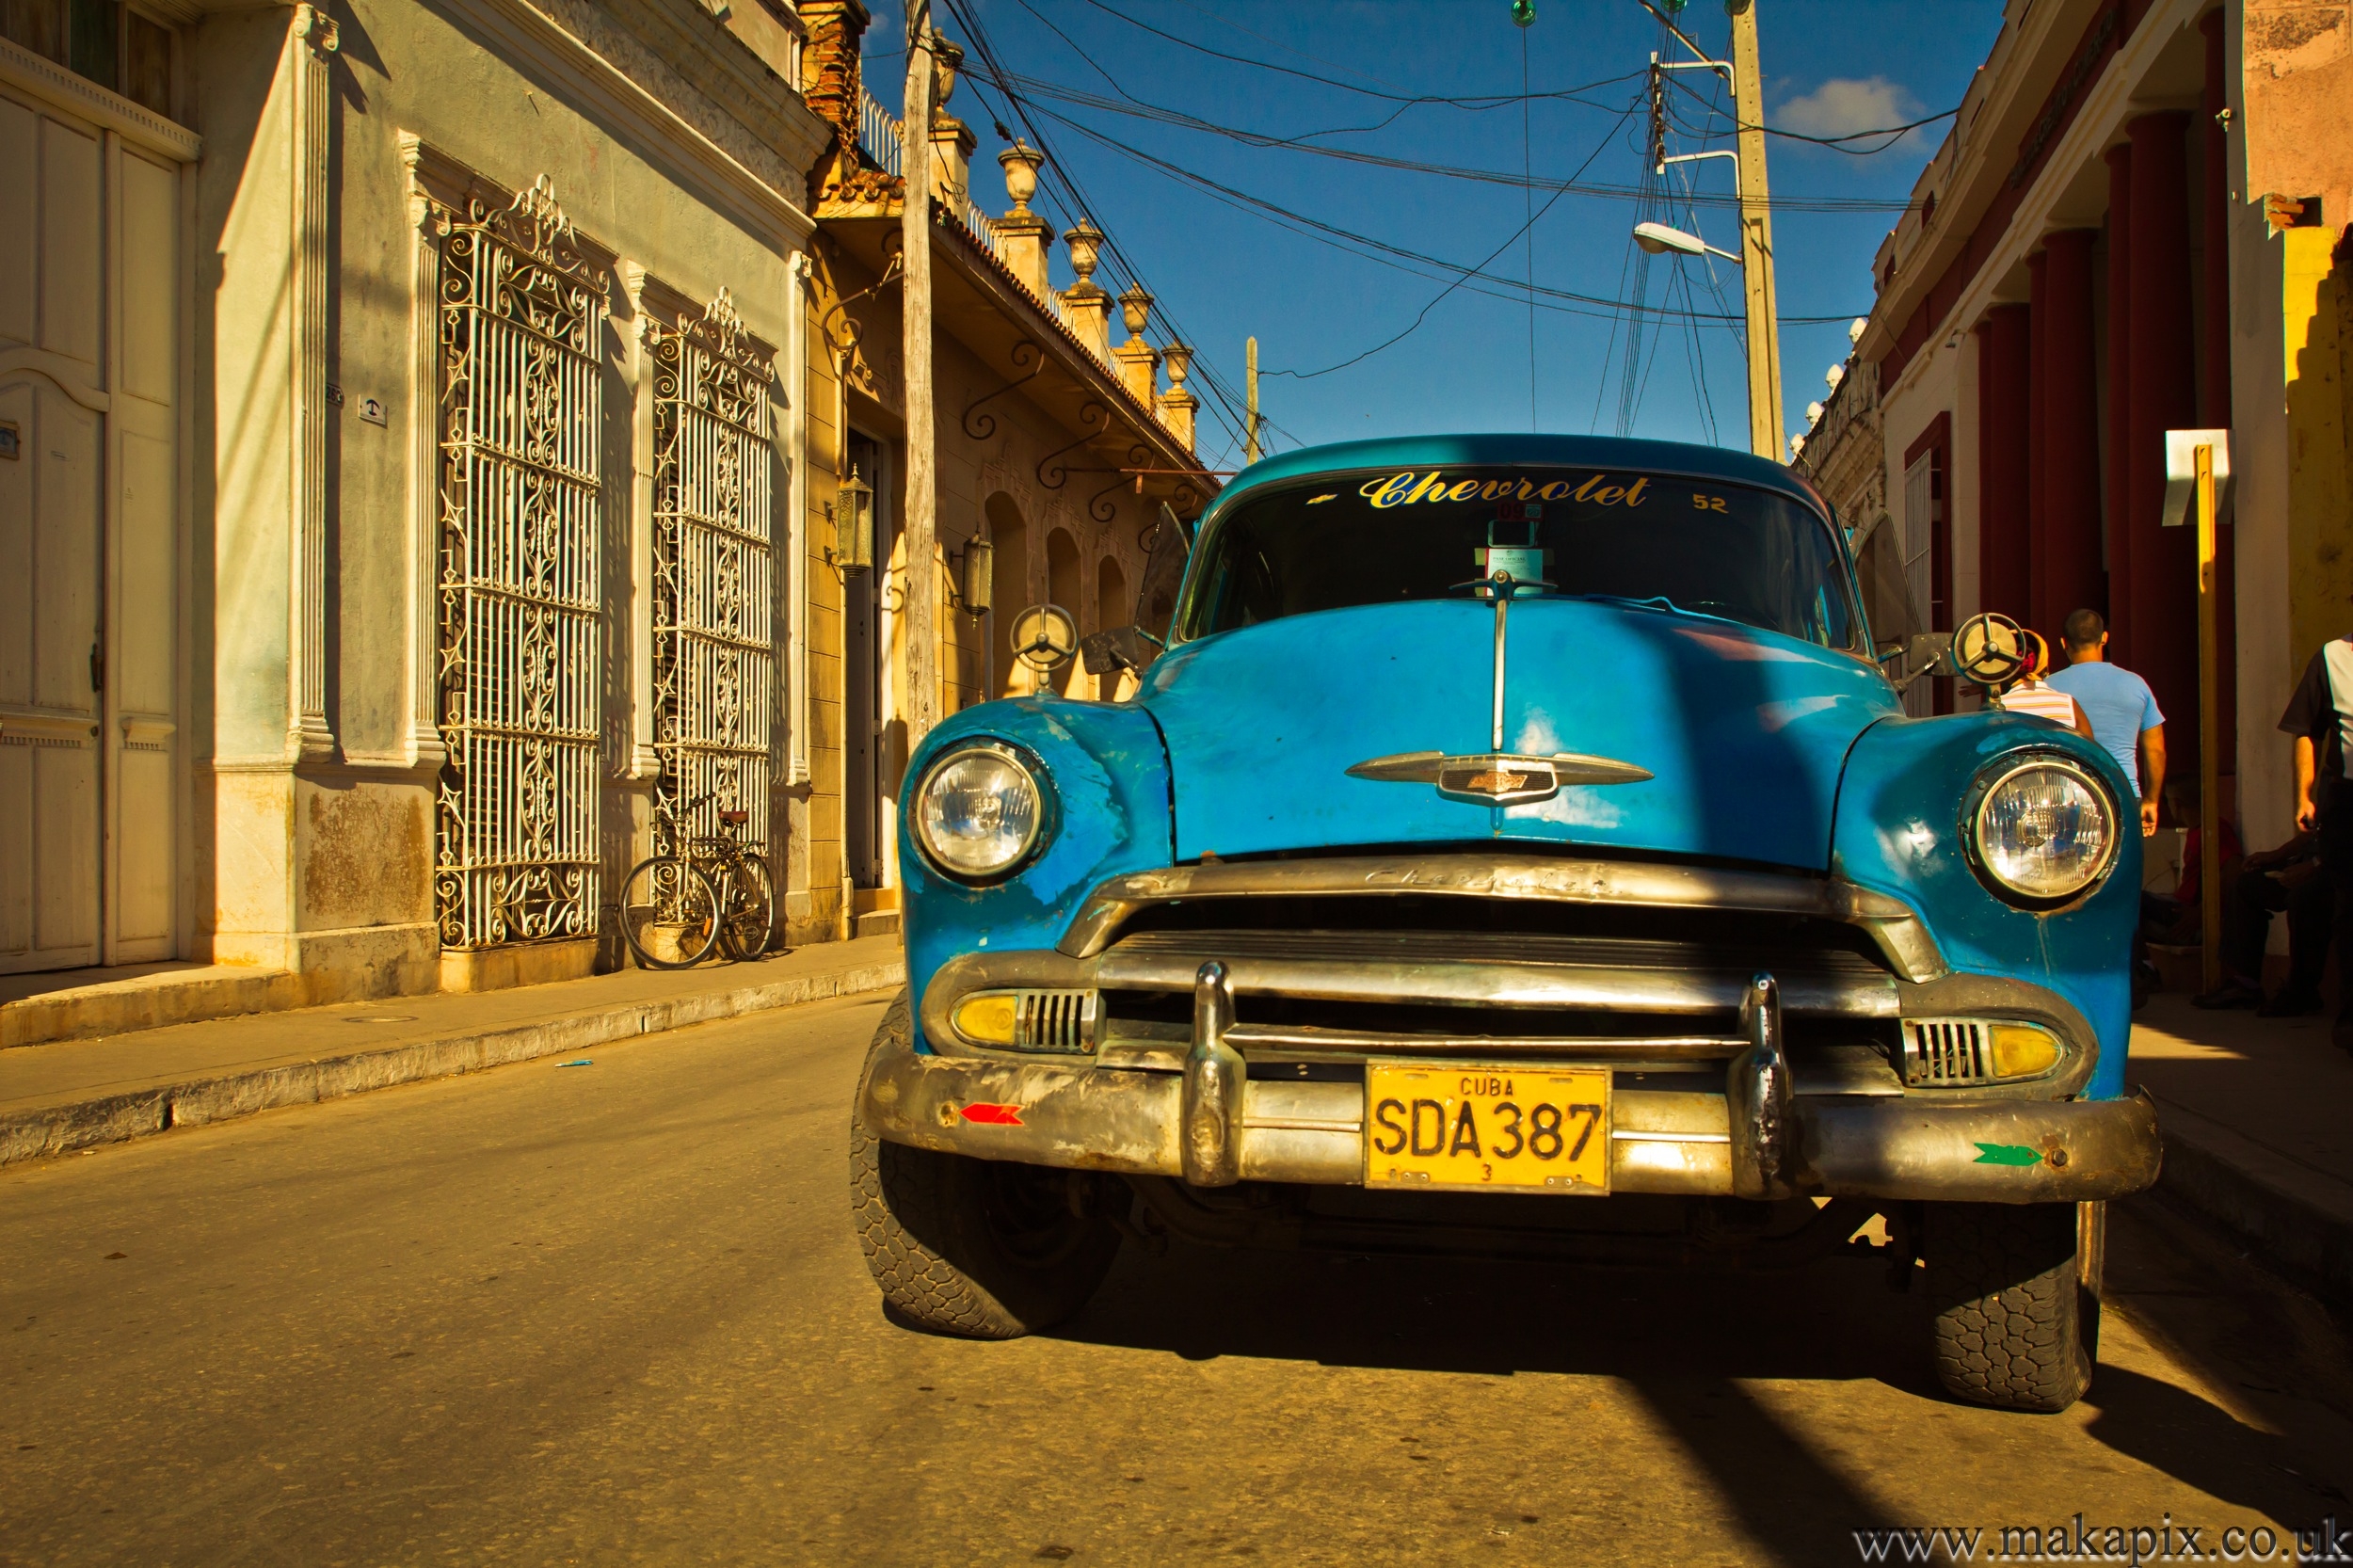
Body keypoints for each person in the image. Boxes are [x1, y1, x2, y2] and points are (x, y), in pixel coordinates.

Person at [2277, 631, 2353, 1051]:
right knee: (2349, 908)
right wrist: (2305, 794)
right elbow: (2306, 728)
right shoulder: (2332, 657)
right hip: (2346, 798)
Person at [2048, 609, 2166, 838]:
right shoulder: (2136, 685)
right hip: (2124, 795)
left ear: (2064, 643)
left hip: (2066, 798)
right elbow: (2156, 750)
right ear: (2104, 638)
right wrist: (2151, 801)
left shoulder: (2048, 687)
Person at [2193, 829, 2331, 1015]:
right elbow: (2313, 832)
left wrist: (2314, 865)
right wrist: (2276, 855)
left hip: (2337, 870)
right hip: (2311, 863)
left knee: (2302, 897)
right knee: (2247, 885)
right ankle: (2245, 984)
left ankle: (2301, 991)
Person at [1991, 630, 2094, 739]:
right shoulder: (2068, 704)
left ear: (2006, 669)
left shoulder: (1998, 707)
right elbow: (2090, 751)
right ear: (2043, 664)